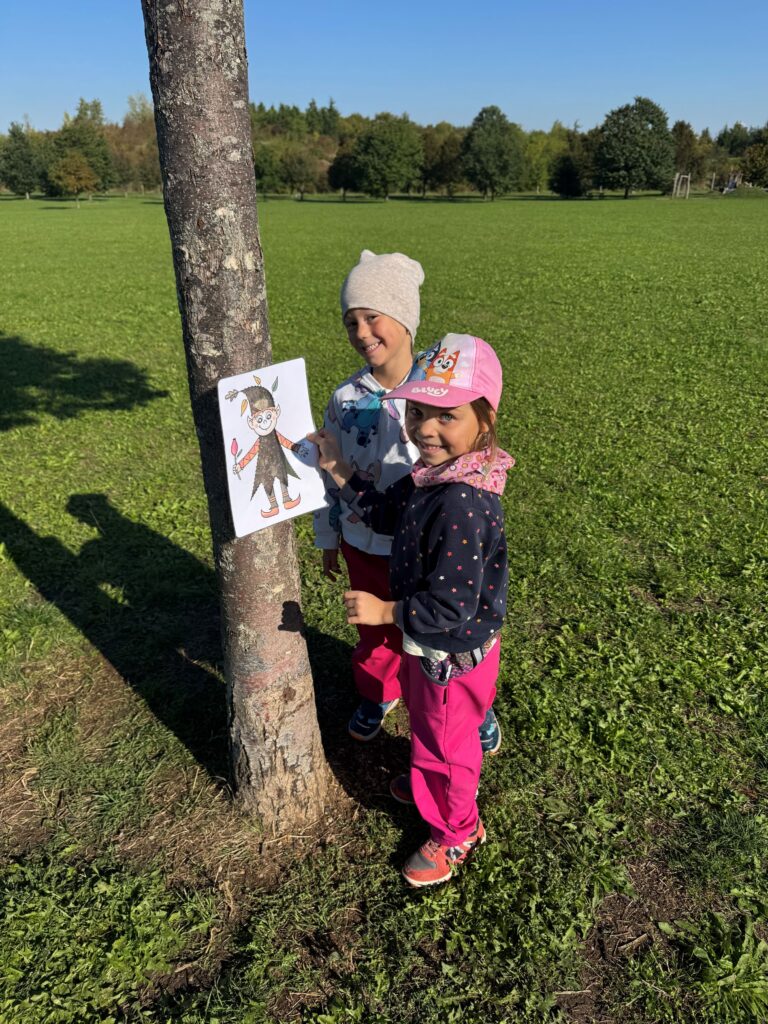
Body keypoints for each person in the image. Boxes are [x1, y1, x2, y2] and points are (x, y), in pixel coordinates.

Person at [309, 333, 513, 888]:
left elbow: (451, 604)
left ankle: (457, 829)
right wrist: (338, 468)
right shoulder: (433, 476)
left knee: (447, 743)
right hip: (438, 648)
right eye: (418, 411)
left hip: (449, 651)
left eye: (447, 416)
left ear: (485, 421)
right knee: (435, 730)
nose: (425, 428)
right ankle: (432, 783)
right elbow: (381, 512)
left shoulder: (461, 502)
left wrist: (384, 612)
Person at [313, 249, 425, 741]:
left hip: (421, 546)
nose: (361, 332)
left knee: (433, 630)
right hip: (362, 544)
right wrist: (328, 536)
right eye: (350, 322)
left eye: (372, 317)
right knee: (374, 629)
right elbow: (326, 472)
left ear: (405, 319)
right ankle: (379, 691)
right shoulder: (344, 398)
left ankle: (465, 703)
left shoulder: (437, 394)